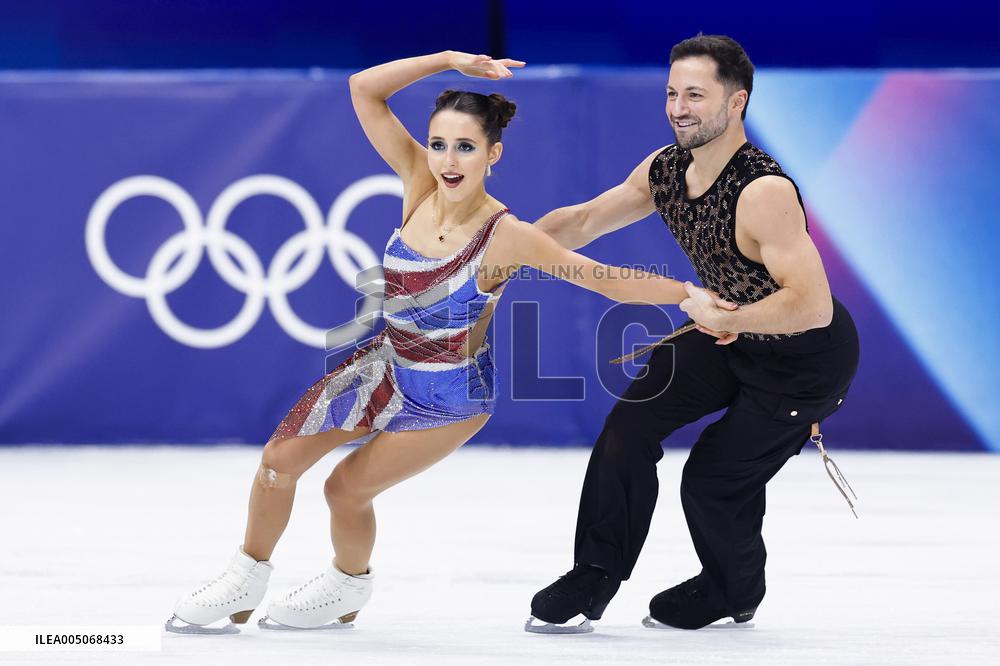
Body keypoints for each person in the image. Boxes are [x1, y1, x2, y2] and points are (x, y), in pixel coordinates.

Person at [166, 50, 709, 634]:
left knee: (344, 489)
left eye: (466, 147)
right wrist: (448, 61)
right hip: (386, 367)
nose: (448, 160)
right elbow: (363, 90)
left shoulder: (508, 237)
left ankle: (346, 587)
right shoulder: (419, 183)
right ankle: (245, 579)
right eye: (439, 144)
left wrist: (687, 295)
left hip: (448, 402)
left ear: (492, 154)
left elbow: (606, 281)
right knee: (277, 462)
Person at [526, 34, 860, 632]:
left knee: (710, 478)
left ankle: (734, 588)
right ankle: (596, 574)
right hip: (726, 332)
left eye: (696, 95)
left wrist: (729, 319)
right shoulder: (666, 169)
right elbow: (582, 221)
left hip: (803, 359)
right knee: (629, 427)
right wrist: (507, 246)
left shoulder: (762, 192)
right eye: (673, 93)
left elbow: (810, 306)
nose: (679, 107)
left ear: (736, 103)